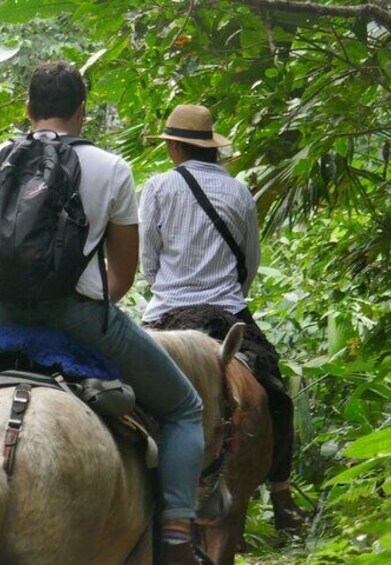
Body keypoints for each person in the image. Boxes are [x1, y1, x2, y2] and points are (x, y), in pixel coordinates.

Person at [0, 63, 208, 564]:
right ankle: (177, 534)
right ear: (81, 111)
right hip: (79, 321)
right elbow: (124, 275)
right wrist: (87, 302)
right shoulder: (111, 169)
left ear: (27, 110)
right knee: (184, 408)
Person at [140, 104, 308, 531]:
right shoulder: (238, 192)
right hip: (228, 313)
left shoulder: (158, 188)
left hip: (167, 315)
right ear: (210, 147)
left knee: (128, 396)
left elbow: (148, 264)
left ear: (175, 147)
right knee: (274, 392)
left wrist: (174, 286)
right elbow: (248, 266)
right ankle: (281, 494)